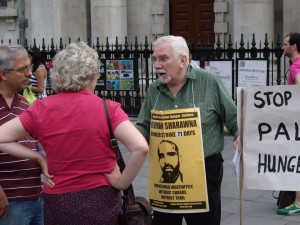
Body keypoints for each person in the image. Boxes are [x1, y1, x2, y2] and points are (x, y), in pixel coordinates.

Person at [0, 41, 149, 225]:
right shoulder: (108, 108)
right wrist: (122, 183)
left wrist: (38, 157)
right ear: (90, 76)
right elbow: (141, 147)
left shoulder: (41, 109)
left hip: (58, 200)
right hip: (101, 199)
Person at [136, 35, 240, 225]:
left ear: (183, 60)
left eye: (163, 59)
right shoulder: (153, 90)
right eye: (155, 59)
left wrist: (239, 135)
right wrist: (129, 140)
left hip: (204, 171)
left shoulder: (209, 82)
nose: (157, 65)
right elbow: (143, 125)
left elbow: (233, 117)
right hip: (165, 176)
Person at [0, 44, 50, 225]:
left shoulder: (24, 103)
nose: (30, 73)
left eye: (29, 67)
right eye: (23, 69)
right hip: (9, 201)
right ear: (4, 74)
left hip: (37, 196)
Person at [277, 32, 300, 216]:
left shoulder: (295, 67)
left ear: (293, 46)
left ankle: (298, 202)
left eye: (285, 44)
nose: (282, 47)